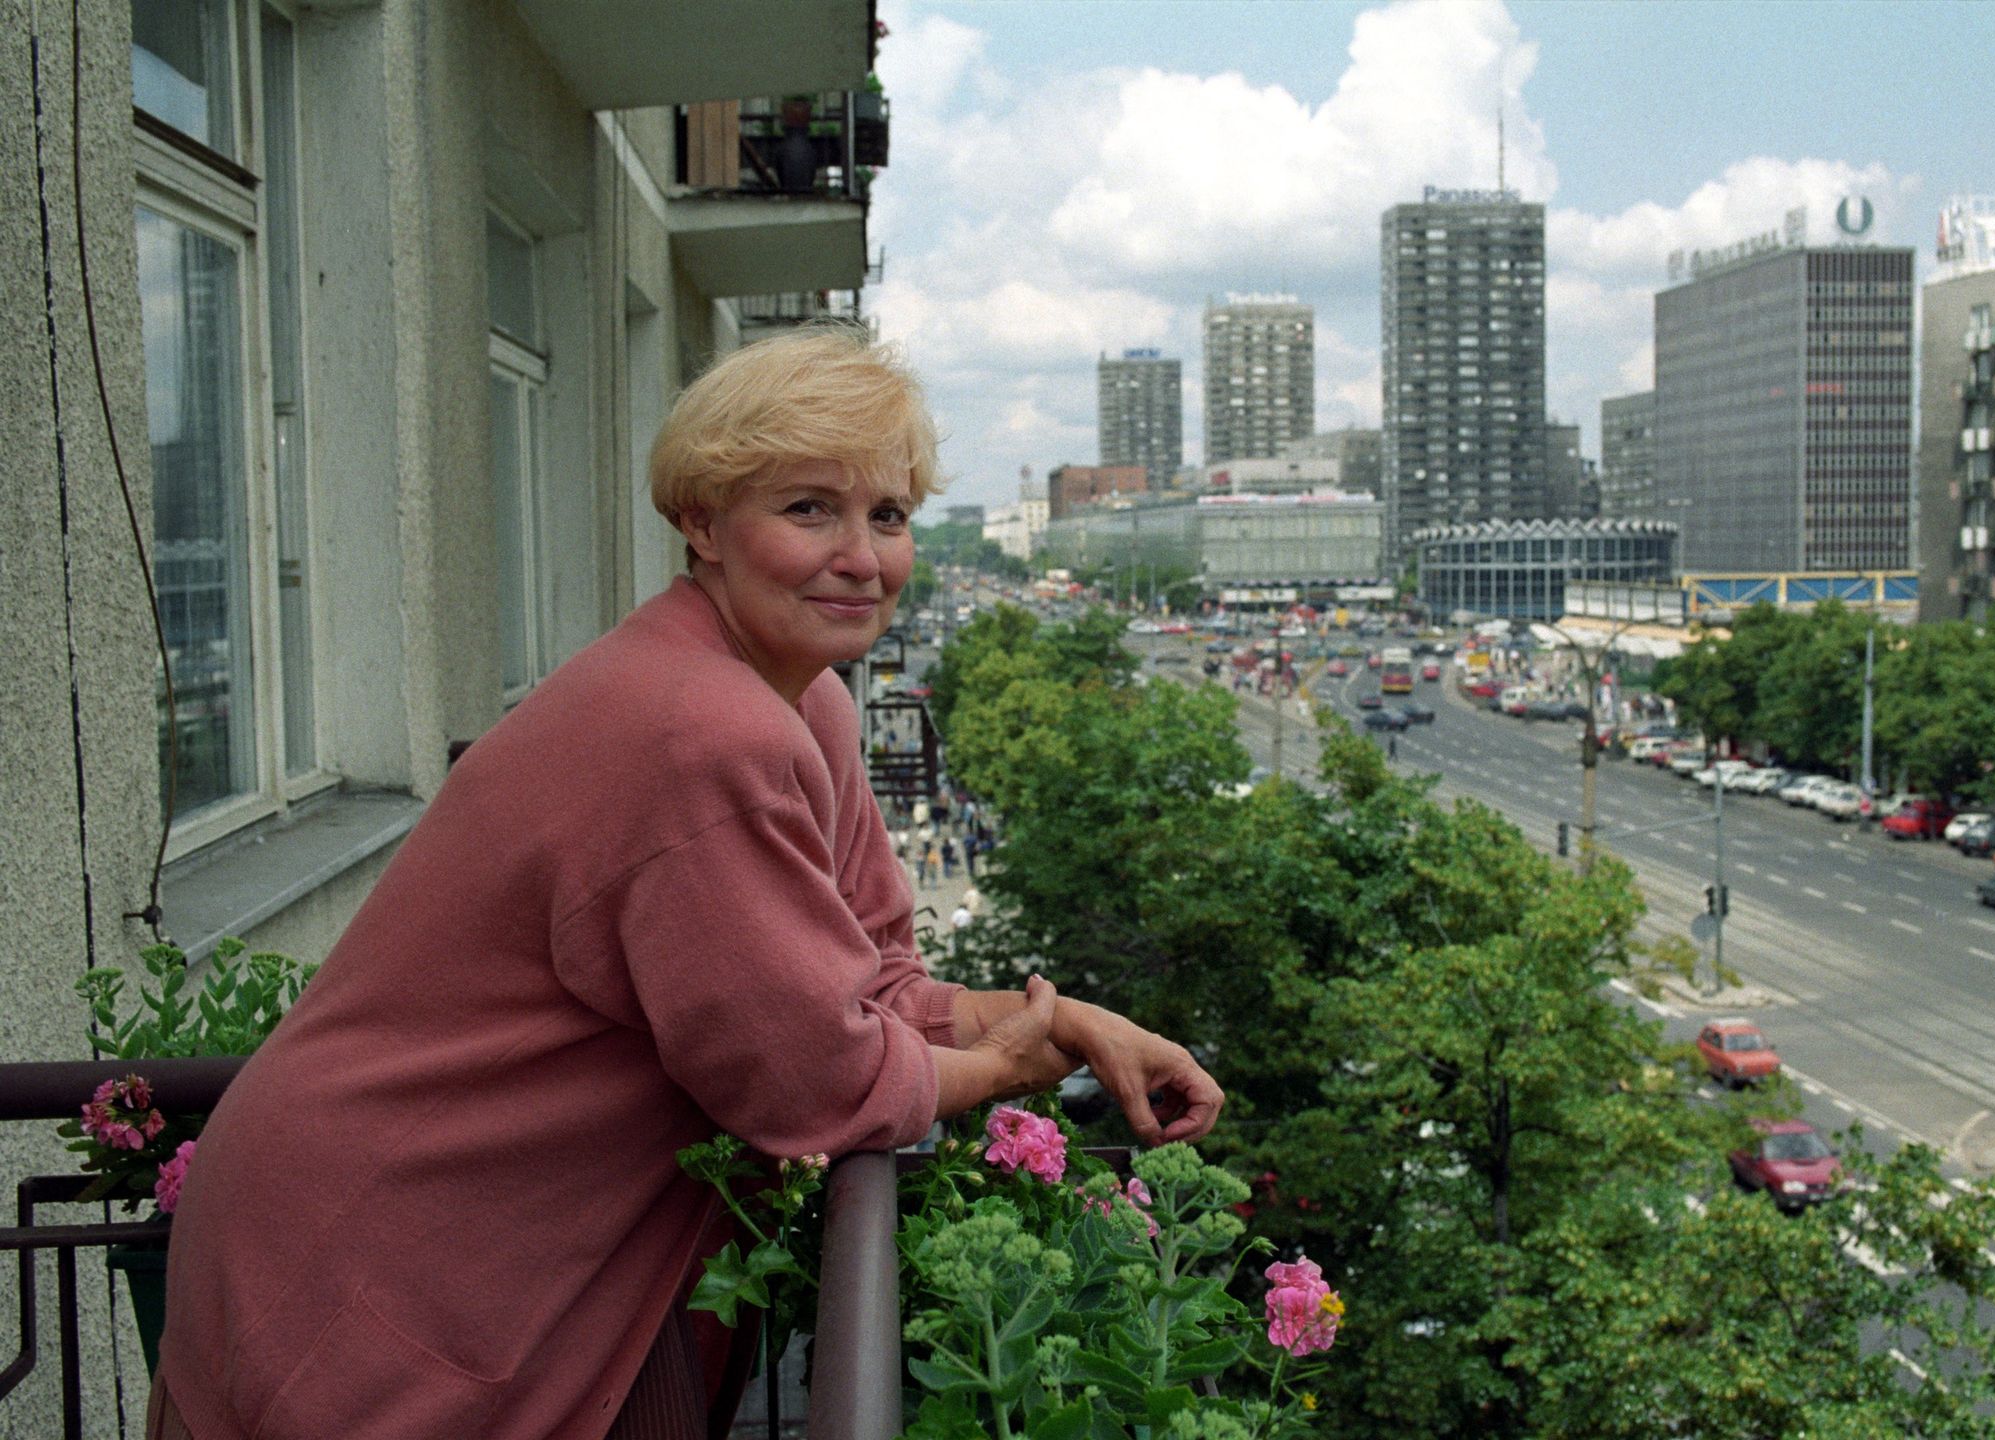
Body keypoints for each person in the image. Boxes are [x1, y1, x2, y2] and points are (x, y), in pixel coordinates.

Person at [153, 329, 1222, 1440]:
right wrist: (1005, 1063)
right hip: (384, 1256)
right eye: (808, 508)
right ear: (703, 523)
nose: (862, 556)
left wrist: (1064, 1024)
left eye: (888, 516)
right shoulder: (700, 729)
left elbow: (872, 980)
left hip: (411, 1230)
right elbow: (818, 1078)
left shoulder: (800, 702)